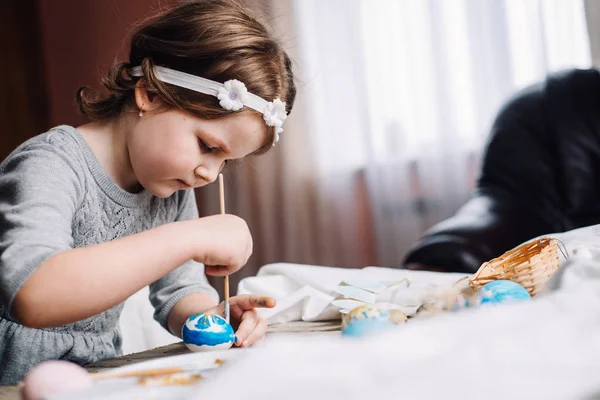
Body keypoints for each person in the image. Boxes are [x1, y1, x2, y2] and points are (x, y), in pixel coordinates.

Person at [0, 0, 296, 385]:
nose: (210, 173)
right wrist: (190, 236)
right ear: (149, 94)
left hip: (93, 379)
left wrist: (211, 316)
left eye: (227, 162)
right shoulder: (51, 165)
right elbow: (33, 294)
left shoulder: (170, 186)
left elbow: (179, 290)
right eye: (208, 146)